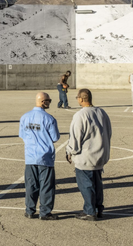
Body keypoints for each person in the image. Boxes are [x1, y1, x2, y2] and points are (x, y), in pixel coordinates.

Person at [66, 89, 112, 221]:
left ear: (80, 99)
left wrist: (69, 151)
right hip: (100, 156)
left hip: (85, 157)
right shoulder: (102, 112)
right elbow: (109, 132)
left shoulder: (80, 115)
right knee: (98, 185)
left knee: (86, 185)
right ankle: (98, 209)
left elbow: (75, 137)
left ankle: (89, 211)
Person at [19, 92, 60, 220]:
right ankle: (45, 212)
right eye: (49, 100)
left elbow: (22, 135)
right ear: (43, 102)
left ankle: (29, 210)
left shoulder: (25, 117)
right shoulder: (49, 119)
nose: (49, 102)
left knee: (31, 185)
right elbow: (55, 137)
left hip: (30, 157)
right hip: (45, 157)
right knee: (46, 186)